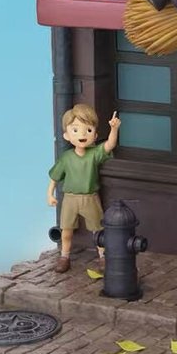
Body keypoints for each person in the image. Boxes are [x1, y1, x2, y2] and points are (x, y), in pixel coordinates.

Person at [48, 104, 121, 273]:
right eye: (75, 130)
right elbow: (54, 177)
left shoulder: (94, 154)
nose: (82, 135)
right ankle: (64, 257)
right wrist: (49, 194)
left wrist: (114, 129)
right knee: (66, 230)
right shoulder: (66, 158)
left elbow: (109, 145)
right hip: (70, 198)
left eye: (88, 130)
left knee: (98, 230)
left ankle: (103, 256)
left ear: (95, 135)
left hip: (90, 198)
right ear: (67, 135)